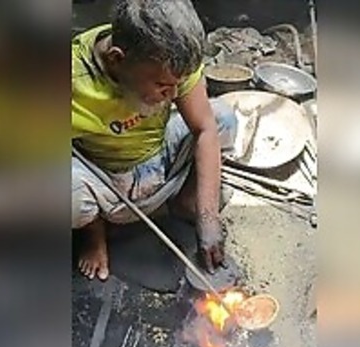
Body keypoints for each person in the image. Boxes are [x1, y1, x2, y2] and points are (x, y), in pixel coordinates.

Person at [72, 0, 237, 280]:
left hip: (160, 158)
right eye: (162, 85)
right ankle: (94, 235)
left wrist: (208, 217)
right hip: (107, 181)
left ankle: (185, 202)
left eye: (178, 84)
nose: (172, 96)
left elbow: (205, 129)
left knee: (223, 118)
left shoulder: (172, 57)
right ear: (116, 59)